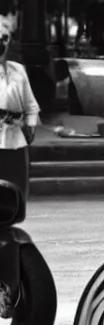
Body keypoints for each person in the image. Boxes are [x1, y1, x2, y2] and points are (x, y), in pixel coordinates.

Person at [0, 15, 40, 205]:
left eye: (4, 38)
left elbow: (31, 106)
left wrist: (29, 127)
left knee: (16, 193)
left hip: (16, 140)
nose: (1, 43)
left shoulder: (18, 70)